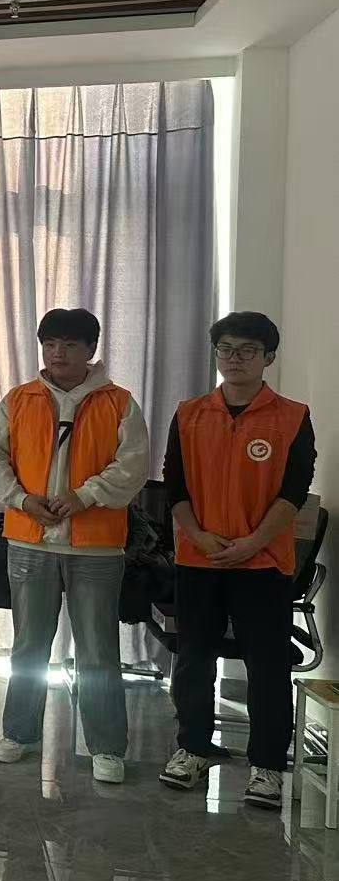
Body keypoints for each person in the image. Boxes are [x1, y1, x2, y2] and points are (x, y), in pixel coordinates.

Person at [0, 308, 148, 785]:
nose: (58, 353)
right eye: (50, 343)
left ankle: (106, 747)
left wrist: (85, 496)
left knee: (97, 650)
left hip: (95, 546)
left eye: (70, 344)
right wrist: (21, 500)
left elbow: (133, 464)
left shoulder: (119, 402)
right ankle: (19, 732)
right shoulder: (19, 398)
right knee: (28, 645)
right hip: (29, 539)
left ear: (90, 349)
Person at [159, 312, 316, 810]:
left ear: (269, 357)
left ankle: (266, 766)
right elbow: (174, 486)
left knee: (267, 665)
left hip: (263, 563)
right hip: (198, 559)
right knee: (193, 658)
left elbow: (294, 492)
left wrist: (252, 543)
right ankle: (193, 749)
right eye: (226, 349)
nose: (235, 359)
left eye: (247, 350)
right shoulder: (189, 414)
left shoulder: (292, 416)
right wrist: (200, 537)